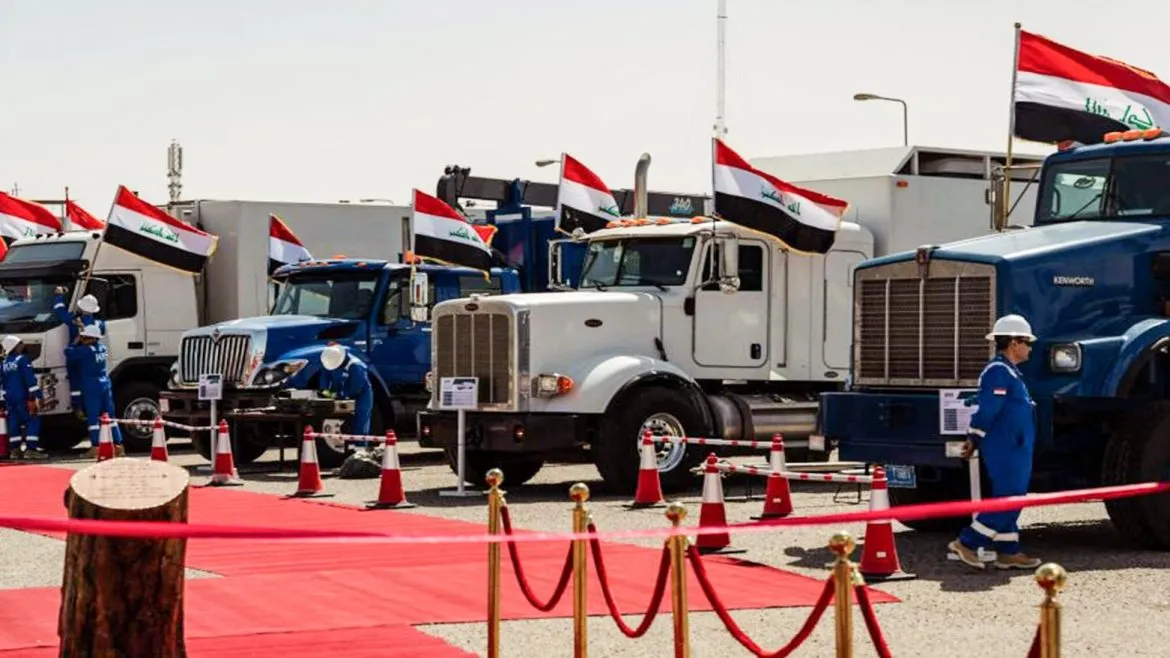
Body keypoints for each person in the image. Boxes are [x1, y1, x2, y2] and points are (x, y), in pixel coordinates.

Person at [948, 314, 1042, 571]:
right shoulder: (998, 372)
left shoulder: (1009, 372)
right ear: (1014, 343)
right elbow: (988, 409)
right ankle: (967, 542)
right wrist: (974, 437)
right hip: (1005, 446)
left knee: (1011, 496)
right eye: (1027, 342)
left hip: (1014, 445)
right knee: (1010, 497)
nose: (1030, 348)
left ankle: (1007, 550)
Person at [53, 286, 106, 415]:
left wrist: (59, 296)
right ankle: (92, 408)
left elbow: (60, 311)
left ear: (81, 308)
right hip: (91, 356)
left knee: (75, 382)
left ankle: (78, 407)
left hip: (75, 353)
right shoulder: (100, 324)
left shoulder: (74, 320)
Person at [74, 324, 124, 458]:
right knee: (110, 417)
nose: (83, 340)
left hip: (92, 386)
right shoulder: (102, 348)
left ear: (91, 338)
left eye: (85, 338)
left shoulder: (84, 351)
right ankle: (119, 446)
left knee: (93, 418)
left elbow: (68, 352)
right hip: (105, 384)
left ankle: (95, 447)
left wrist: (76, 341)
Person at [1, 335, 48, 460]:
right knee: (33, 420)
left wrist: (3, 400)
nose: (23, 345)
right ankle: (31, 449)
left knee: (14, 422)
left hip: (10, 398)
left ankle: (15, 450)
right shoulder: (22, 359)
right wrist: (38, 396)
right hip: (23, 397)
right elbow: (29, 380)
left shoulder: (4, 363)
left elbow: (2, 383)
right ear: (15, 346)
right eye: (20, 343)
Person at [319, 343, 373, 446]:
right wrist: (324, 390)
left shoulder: (355, 366)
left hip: (361, 395)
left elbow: (356, 387)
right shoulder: (330, 361)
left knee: (360, 421)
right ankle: (343, 447)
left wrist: (342, 395)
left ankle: (360, 448)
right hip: (340, 389)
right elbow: (325, 376)